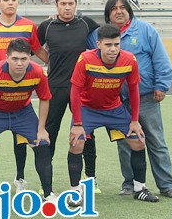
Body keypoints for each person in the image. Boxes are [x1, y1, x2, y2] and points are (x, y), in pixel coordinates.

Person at [96, 0, 172, 198]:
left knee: (155, 140)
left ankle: (167, 185)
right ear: (108, 14)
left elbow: (160, 58)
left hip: (146, 97)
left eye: (123, 7)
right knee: (125, 143)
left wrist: (161, 85)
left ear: (129, 11)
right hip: (118, 101)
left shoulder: (145, 30)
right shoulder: (102, 34)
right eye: (114, 8)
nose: (119, 11)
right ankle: (130, 184)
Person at [68, 24, 159, 205]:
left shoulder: (129, 60)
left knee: (138, 140)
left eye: (116, 44)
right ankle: (76, 192)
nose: (113, 49)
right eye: (108, 44)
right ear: (98, 43)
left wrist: (134, 120)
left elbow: (133, 90)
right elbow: (75, 91)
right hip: (88, 110)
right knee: (76, 144)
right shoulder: (85, 59)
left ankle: (139, 188)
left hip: (114, 109)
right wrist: (77, 123)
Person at [0, 0, 48, 193]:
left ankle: (20, 178)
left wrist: (56, 65)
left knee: (21, 138)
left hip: (19, 94)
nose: (10, 3)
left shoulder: (28, 26)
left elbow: (37, 51)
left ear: (18, 2)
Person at [0, 39, 56, 200]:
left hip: (22, 112)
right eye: (15, 59)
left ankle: (49, 193)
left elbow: (45, 98)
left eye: (23, 59)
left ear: (30, 57)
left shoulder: (37, 72)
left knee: (42, 144)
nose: (19, 63)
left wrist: (41, 129)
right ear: (7, 57)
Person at [37, 0, 100, 192]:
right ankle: (46, 182)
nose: (67, 7)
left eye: (70, 3)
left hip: (81, 89)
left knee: (86, 134)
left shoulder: (86, 23)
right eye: (63, 4)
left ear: (76, 4)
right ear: (56, 5)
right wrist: (49, 61)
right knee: (49, 134)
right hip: (55, 87)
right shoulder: (47, 27)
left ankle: (91, 179)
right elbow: (32, 48)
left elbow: (104, 39)